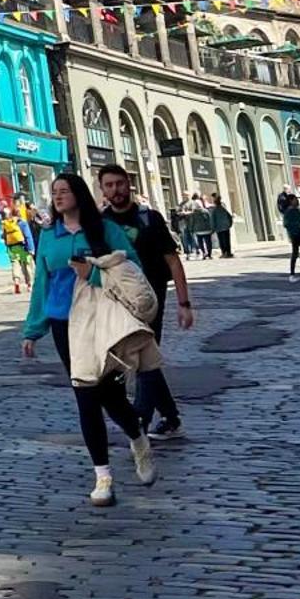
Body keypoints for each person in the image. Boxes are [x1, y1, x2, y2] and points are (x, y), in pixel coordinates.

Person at [21, 173, 155, 507]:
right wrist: (32, 330)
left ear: (79, 194)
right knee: (85, 395)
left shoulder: (105, 230)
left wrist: (93, 273)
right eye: (54, 192)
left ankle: (138, 438)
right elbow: (42, 283)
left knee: (109, 393)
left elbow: (133, 270)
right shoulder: (48, 236)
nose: (58, 196)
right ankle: (103, 477)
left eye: (64, 191)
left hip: (99, 320)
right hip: (63, 324)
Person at [97, 164, 194, 441]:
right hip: (119, 301)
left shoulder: (150, 218)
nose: (115, 190)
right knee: (143, 359)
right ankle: (171, 417)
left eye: (119, 183)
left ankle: (140, 418)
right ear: (103, 189)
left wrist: (184, 303)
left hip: (151, 299)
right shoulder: (102, 223)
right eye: (109, 185)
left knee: (141, 357)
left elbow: (172, 260)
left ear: (129, 184)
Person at [208, 193, 236, 259]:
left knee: (222, 241)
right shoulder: (223, 208)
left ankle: (224, 253)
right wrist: (229, 224)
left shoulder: (214, 210)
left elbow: (213, 220)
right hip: (226, 227)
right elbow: (229, 216)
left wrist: (212, 229)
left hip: (219, 228)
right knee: (227, 240)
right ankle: (228, 252)